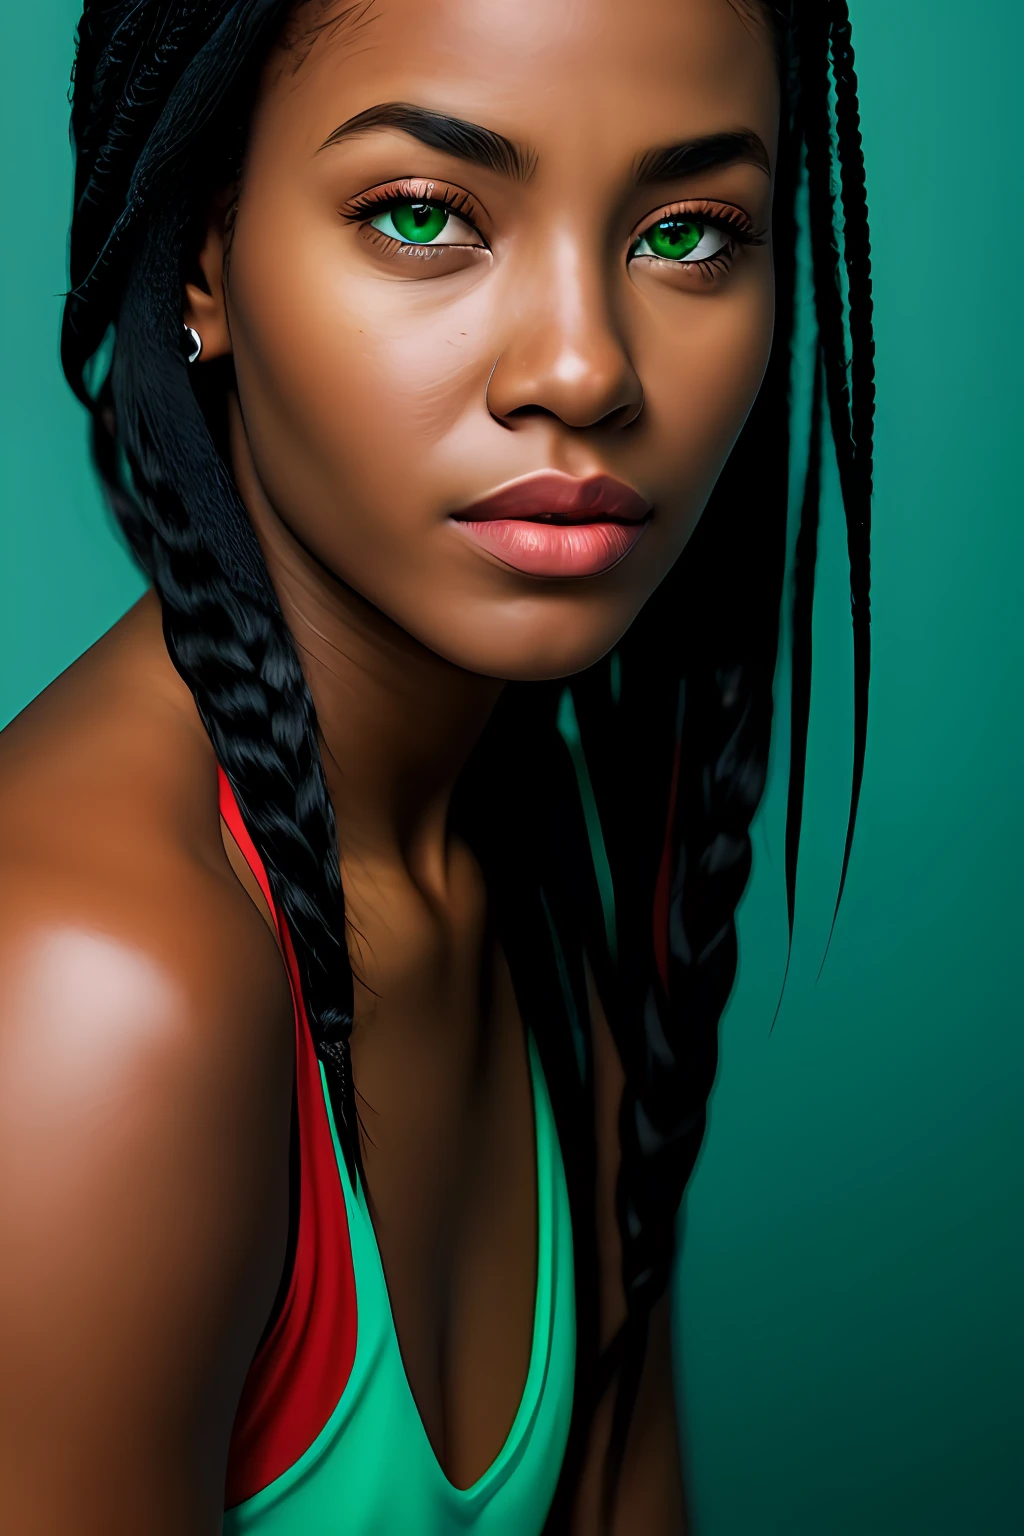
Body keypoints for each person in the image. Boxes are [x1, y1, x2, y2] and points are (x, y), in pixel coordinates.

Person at [0, 0, 872, 1531]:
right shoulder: (94, 994)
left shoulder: (542, 890)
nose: (586, 368)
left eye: (687, 232)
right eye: (424, 215)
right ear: (204, 257)